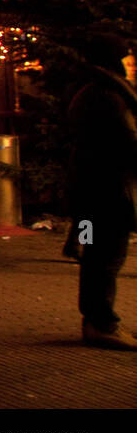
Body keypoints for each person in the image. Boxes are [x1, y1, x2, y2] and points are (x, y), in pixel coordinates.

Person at [65, 34, 137, 350]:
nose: (132, 64)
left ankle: (98, 320)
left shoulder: (96, 91)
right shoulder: (108, 96)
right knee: (105, 256)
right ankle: (101, 323)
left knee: (99, 255)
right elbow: (127, 145)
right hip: (107, 191)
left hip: (95, 187)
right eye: (127, 58)